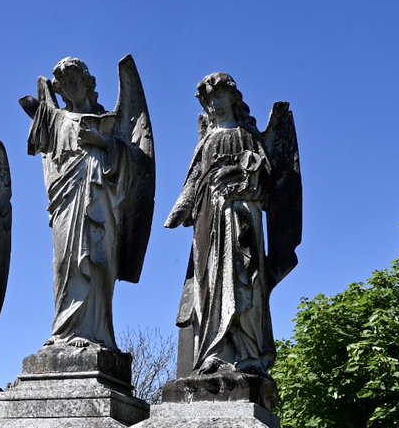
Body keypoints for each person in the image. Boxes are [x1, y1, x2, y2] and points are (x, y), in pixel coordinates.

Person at [21, 56, 153, 350]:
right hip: (65, 200)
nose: (71, 88)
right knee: (63, 265)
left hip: (101, 202)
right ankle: (63, 330)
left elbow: (132, 162)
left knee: (97, 263)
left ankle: (95, 334)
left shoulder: (108, 123)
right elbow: (36, 134)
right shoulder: (57, 120)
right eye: (65, 85)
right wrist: (40, 100)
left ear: (88, 83)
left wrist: (101, 141)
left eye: (75, 82)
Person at [166, 73, 276, 377]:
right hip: (209, 220)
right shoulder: (206, 142)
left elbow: (265, 175)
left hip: (241, 215)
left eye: (217, 96)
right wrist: (180, 209)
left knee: (244, 278)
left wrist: (239, 170)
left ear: (232, 97)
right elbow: (193, 180)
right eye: (207, 100)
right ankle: (213, 351)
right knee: (210, 283)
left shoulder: (246, 134)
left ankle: (248, 352)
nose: (213, 104)